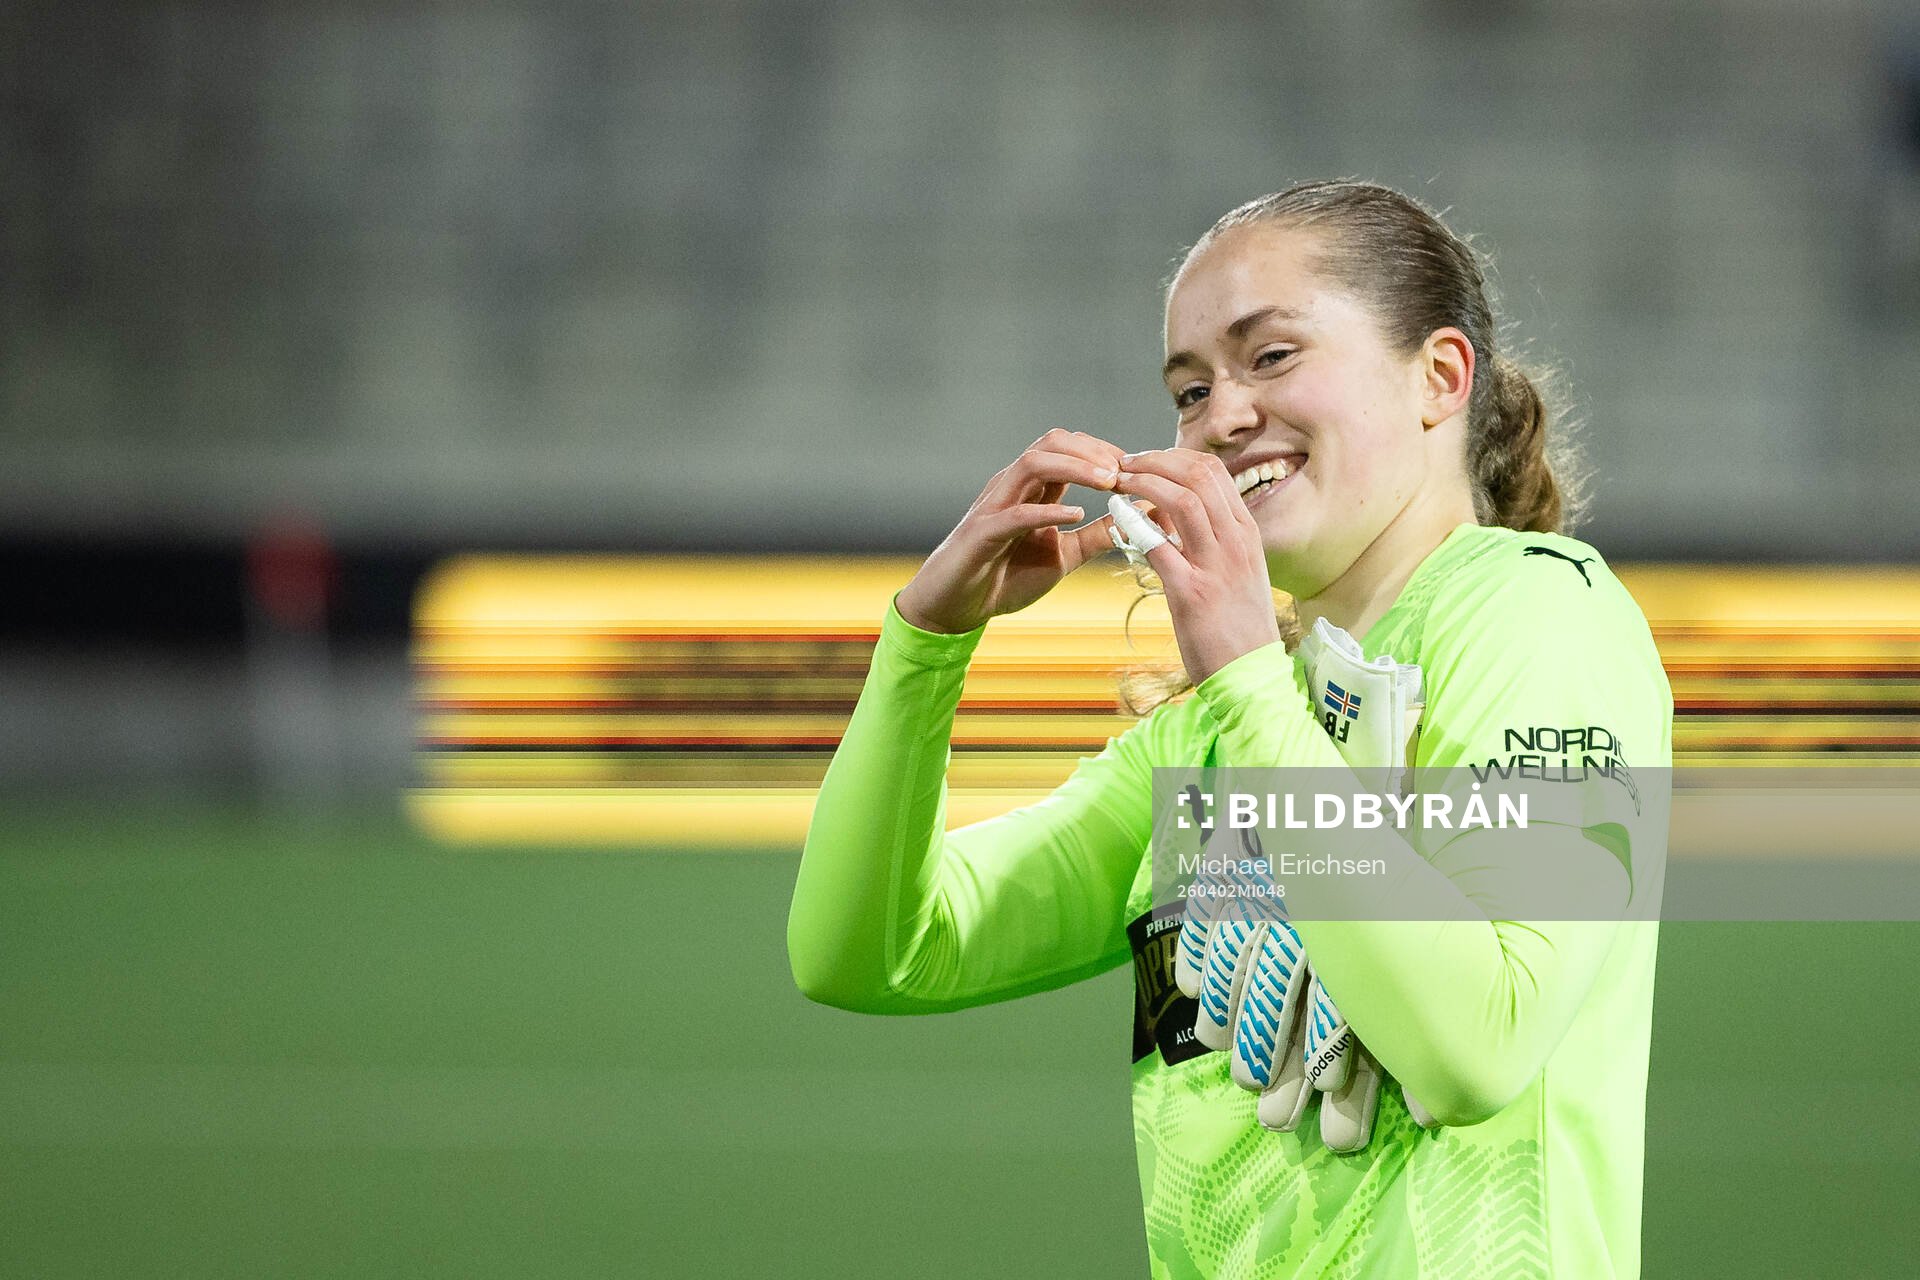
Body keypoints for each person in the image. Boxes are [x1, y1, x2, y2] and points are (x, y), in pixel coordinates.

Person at [787, 179, 1672, 1279]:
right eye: (1190, 388)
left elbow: (1474, 1047)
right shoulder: (1208, 732)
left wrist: (1252, 680)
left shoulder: (1542, 610)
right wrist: (926, 641)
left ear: (1439, 377)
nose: (1222, 415)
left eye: (1272, 357)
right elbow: (869, 950)